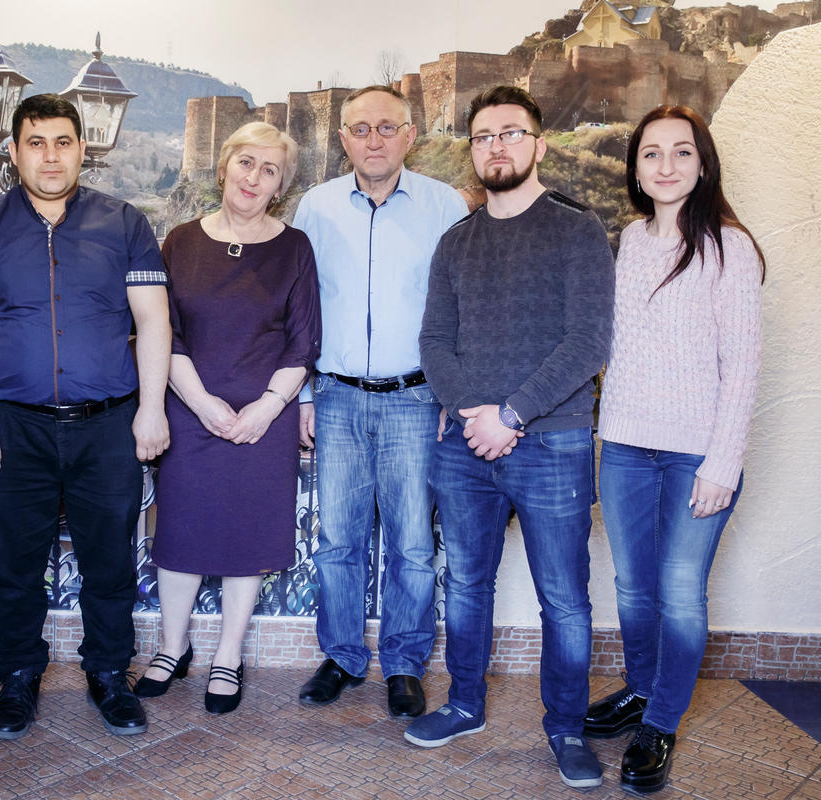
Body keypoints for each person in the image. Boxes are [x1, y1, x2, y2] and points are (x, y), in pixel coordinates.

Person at [0, 94, 171, 739]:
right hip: (12, 426)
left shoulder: (124, 223)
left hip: (108, 425)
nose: (50, 156)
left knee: (110, 562)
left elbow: (154, 320)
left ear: (82, 149)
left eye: (63, 142)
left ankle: (109, 676)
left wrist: (152, 409)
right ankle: (17, 677)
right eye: (36, 142)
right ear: (14, 152)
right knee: (15, 566)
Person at [412, 86, 614, 791]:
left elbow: (588, 341)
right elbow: (434, 340)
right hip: (465, 443)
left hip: (553, 443)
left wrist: (512, 416)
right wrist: (474, 411)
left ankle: (567, 728)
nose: (496, 146)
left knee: (564, 598)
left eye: (510, 133)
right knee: (467, 583)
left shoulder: (577, 230)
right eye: (483, 136)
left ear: (538, 144)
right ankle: (464, 704)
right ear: (472, 149)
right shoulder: (456, 242)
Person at [583, 105, 764, 794]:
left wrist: (723, 464)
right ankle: (640, 689)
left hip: (697, 455)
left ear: (703, 163)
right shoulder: (629, 241)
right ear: (635, 169)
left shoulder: (729, 247)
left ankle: (660, 724)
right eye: (651, 153)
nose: (666, 165)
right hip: (626, 447)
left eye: (682, 152)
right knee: (632, 589)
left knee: (680, 594)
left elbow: (742, 366)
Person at [133, 122, 320, 714]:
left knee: (248, 537)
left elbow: (304, 342)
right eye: (245, 163)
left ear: (280, 186)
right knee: (181, 532)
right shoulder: (180, 242)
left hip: (265, 419)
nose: (253, 177)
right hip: (190, 411)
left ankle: (228, 656)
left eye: (269, 170)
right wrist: (201, 403)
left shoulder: (295, 248)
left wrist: (267, 409)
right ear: (224, 167)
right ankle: (172, 648)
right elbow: (164, 331)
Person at [293, 85, 468, 718]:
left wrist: (454, 394)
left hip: (416, 400)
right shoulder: (315, 207)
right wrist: (304, 395)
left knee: (412, 544)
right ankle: (342, 656)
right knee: (337, 539)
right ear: (343, 138)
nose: (374, 139)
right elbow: (299, 308)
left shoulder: (445, 206)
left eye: (387, 127)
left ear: (410, 136)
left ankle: (403, 664)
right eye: (361, 128)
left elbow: (462, 308)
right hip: (336, 399)